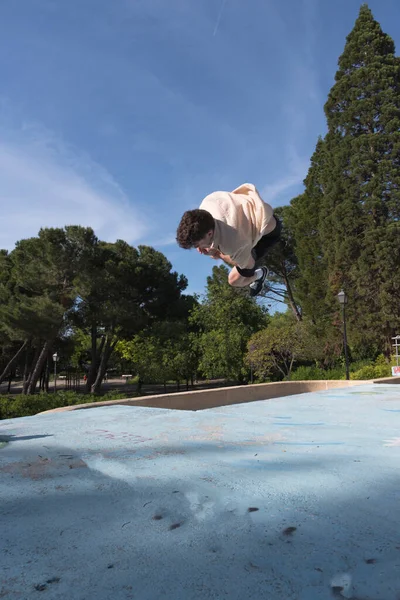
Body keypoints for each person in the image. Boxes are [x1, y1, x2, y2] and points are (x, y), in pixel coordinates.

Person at [176, 183, 281, 296]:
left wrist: (218, 253)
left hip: (268, 234)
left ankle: (260, 275)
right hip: (257, 209)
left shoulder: (231, 243)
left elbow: (249, 264)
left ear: (210, 233)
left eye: (197, 244)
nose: (198, 248)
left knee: (234, 280)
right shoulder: (207, 203)